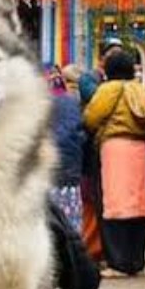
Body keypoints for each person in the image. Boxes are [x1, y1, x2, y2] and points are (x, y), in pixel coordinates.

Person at [83, 50, 145, 278]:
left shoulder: (108, 89)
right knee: (138, 205)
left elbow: (91, 117)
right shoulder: (143, 90)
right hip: (140, 149)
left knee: (113, 205)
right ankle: (136, 260)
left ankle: (118, 262)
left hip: (113, 148)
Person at [48, 67, 86, 233]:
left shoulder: (40, 103)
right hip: (71, 170)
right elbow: (81, 134)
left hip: (47, 170)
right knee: (71, 220)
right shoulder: (74, 103)